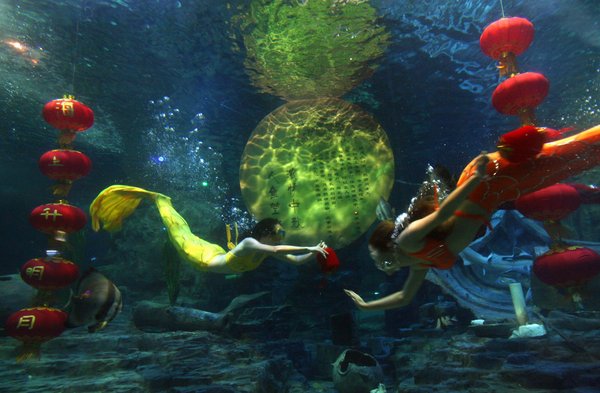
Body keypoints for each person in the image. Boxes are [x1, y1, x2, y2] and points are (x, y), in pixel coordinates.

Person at [345, 124, 600, 311]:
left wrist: (477, 179)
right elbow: (405, 297)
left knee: (566, 156)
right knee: (568, 161)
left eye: (376, 258)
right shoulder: (418, 260)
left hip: (486, 185)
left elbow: (443, 213)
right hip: (491, 192)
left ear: (389, 248)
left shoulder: (408, 241)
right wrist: (367, 306)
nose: (378, 264)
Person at [90, 185, 328, 274]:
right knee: (179, 231)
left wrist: (315, 253)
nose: (280, 236)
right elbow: (278, 251)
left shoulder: (264, 249)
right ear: (266, 233)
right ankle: (160, 199)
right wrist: (309, 245)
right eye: (279, 232)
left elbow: (295, 262)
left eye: (282, 234)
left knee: (186, 232)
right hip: (203, 259)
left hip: (215, 253)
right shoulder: (250, 244)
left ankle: (161, 200)